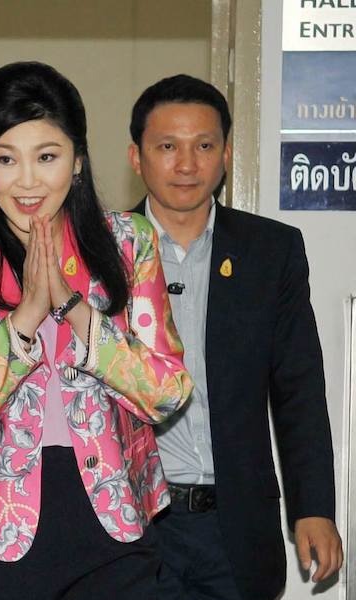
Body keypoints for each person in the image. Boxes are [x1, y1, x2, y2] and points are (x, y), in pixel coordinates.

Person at [0, 61, 193, 600]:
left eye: (47, 157)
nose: (27, 181)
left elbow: (167, 392)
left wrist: (72, 309)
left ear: (78, 161)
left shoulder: (128, 244)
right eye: (5, 159)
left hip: (113, 521)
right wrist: (23, 321)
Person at [127, 74, 343, 600]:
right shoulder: (99, 253)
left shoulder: (271, 252)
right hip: (134, 526)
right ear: (137, 157)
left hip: (236, 527)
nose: (186, 164)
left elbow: (299, 391)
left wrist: (313, 506)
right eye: (167, 147)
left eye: (204, 146)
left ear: (226, 153)